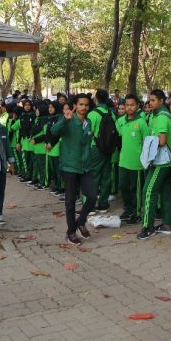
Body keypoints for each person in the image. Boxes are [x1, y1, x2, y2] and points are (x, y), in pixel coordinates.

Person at [51, 94, 99, 245]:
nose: (84, 107)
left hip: (85, 167)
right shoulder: (69, 120)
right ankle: (71, 231)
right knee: (70, 201)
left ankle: (80, 222)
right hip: (69, 166)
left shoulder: (89, 122)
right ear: (75, 105)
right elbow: (54, 131)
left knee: (92, 196)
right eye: (81, 105)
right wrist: (65, 119)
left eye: (86, 105)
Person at [137, 89, 171, 240]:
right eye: (149, 100)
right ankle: (167, 225)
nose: (150, 103)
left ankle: (148, 226)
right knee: (165, 193)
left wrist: (147, 143)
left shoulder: (161, 118)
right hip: (165, 160)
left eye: (153, 100)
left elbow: (162, 141)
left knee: (148, 191)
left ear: (161, 101)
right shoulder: (159, 116)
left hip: (161, 161)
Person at [117, 94, 148, 224]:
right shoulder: (120, 121)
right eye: (127, 105)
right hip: (123, 161)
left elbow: (147, 142)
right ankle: (128, 209)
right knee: (123, 186)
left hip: (137, 163)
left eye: (132, 105)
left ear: (138, 106)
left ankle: (137, 213)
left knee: (136, 189)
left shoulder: (141, 122)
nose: (129, 107)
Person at [88, 89, 116, 213]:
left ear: (96, 99)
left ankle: (91, 205)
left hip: (96, 148)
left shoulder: (92, 114)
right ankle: (103, 204)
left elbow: (88, 133)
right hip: (109, 149)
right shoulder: (112, 114)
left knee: (93, 176)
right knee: (106, 176)